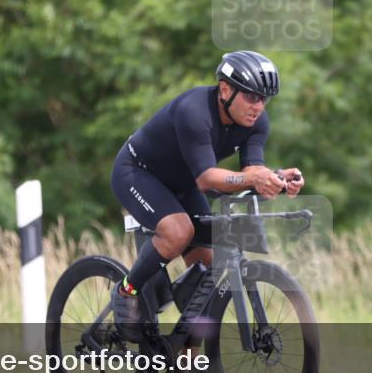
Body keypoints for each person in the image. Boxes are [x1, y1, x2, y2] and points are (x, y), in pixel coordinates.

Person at [109, 50, 304, 339]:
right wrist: (254, 177)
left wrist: (275, 179)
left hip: (184, 183)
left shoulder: (257, 123)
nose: (259, 106)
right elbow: (207, 179)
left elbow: (251, 171)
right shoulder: (194, 110)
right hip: (138, 171)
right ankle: (127, 290)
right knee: (178, 231)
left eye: (264, 99)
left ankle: (190, 361)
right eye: (252, 96)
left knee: (206, 270)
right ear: (226, 89)